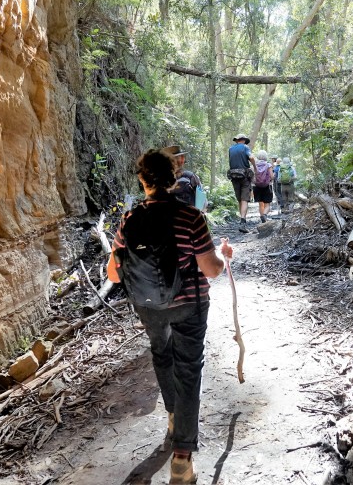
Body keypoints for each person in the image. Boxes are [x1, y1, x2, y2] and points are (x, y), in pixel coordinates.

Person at [107, 149, 233, 484]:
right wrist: (223, 256)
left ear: (142, 180)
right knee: (188, 370)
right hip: (189, 305)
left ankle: (174, 417)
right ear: (173, 178)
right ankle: (181, 459)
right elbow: (211, 270)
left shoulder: (129, 220)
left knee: (162, 356)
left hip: (148, 307)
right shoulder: (190, 217)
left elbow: (114, 274)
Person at [227, 133, 255, 232]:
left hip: (234, 176)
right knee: (244, 199)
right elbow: (251, 158)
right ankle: (243, 222)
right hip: (244, 177)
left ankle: (241, 220)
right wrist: (255, 167)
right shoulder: (245, 147)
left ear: (236, 140)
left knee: (240, 199)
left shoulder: (231, 149)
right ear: (243, 140)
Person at [162, 144, 203, 209]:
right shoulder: (160, 181)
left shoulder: (191, 177)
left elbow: (202, 203)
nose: (175, 163)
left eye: (177, 159)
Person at [252, 150, 275, 222]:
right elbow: (271, 176)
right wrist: (273, 176)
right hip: (267, 186)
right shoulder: (268, 165)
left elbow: (252, 177)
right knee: (267, 204)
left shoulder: (254, 165)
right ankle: (264, 215)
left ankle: (262, 217)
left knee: (260, 204)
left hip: (256, 186)